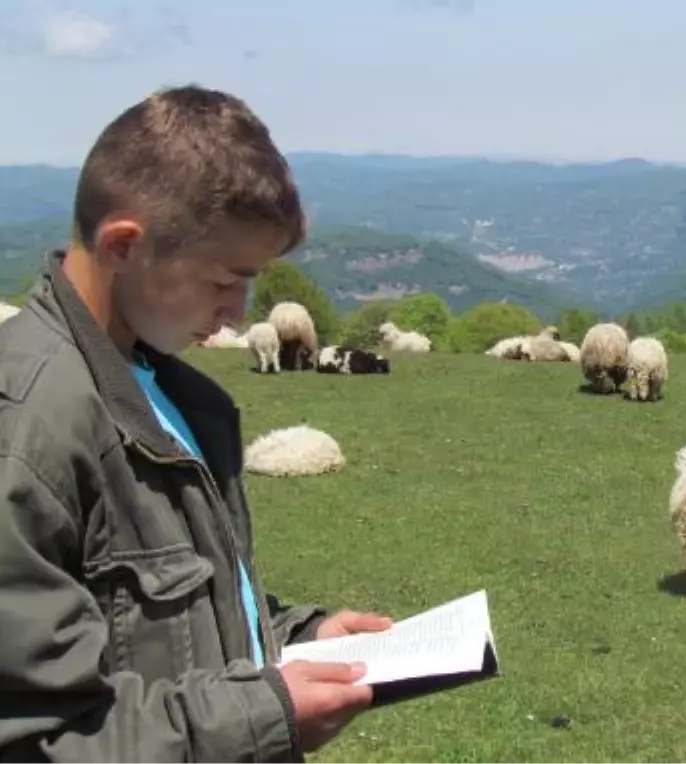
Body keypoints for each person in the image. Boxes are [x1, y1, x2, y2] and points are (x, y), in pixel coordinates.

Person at [0, 84, 394, 761]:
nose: (239, 312)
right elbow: (40, 736)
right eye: (223, 282)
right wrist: (265, 713)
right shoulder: (31, 430)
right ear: (125, 246)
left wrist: (298, 637)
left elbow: (169, 620)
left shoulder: (166, 391)